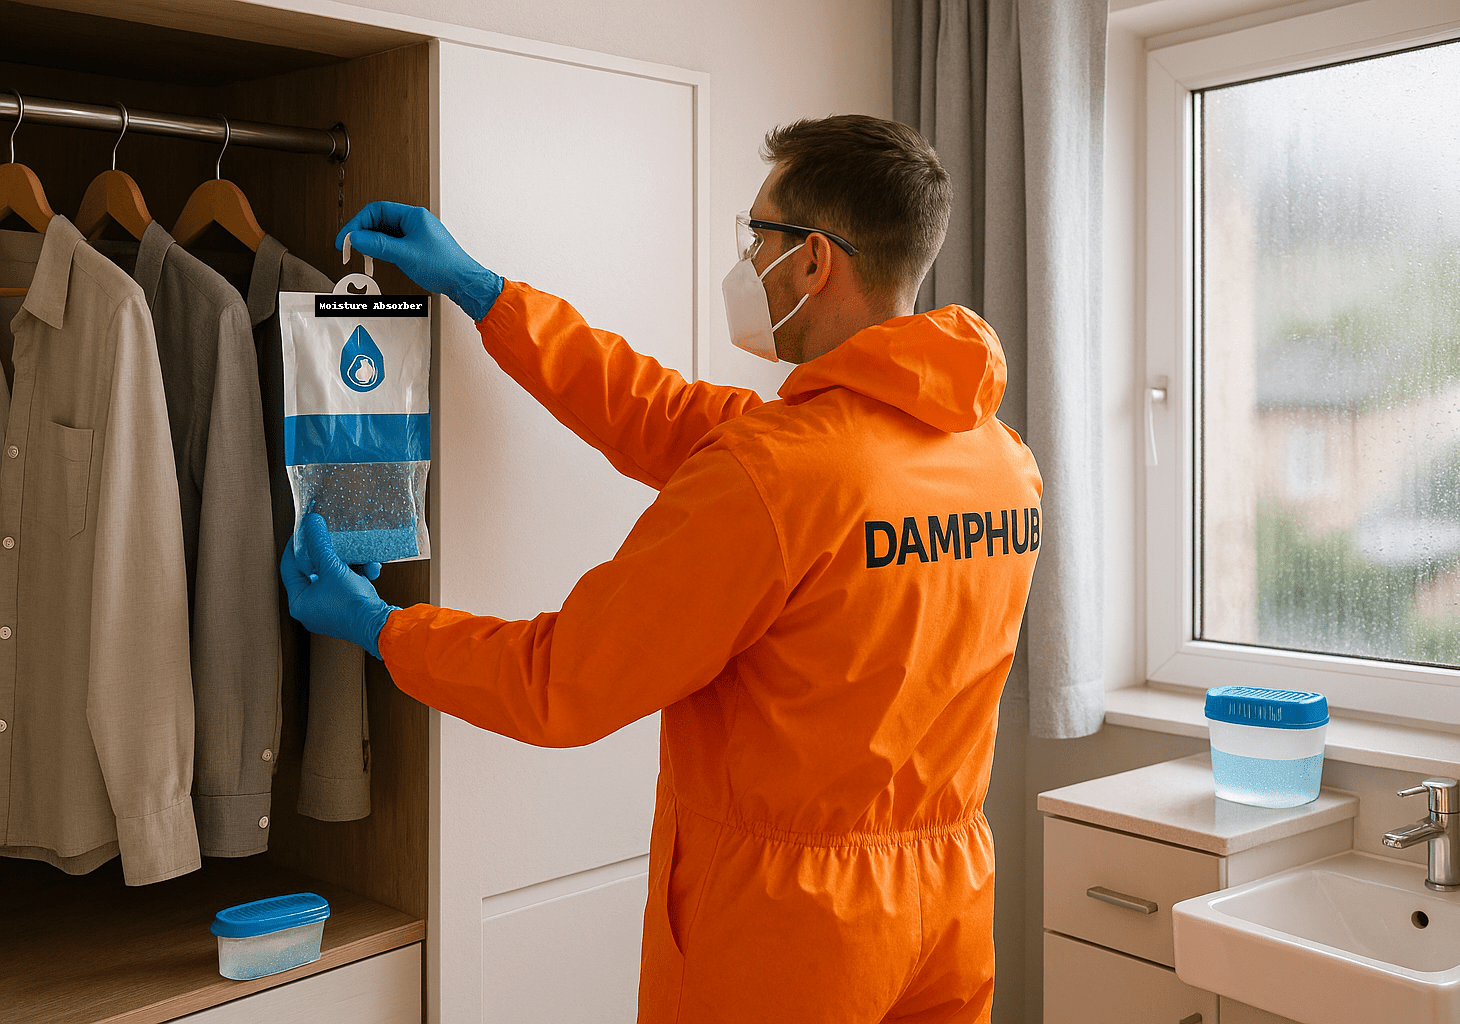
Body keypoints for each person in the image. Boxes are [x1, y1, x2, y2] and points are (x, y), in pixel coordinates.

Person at [282, 114, 1043, 1023]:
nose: (745, 259)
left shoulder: (780, 472)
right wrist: (485, 292)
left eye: (755, 233)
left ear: (812, 263)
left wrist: (377, 624)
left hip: (787, 931)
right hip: (945, 905)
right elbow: (657, 410)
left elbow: (562, 683)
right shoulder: (996, 457)